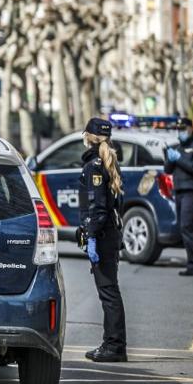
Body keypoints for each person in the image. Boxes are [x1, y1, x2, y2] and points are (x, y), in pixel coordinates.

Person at [79, 116, 127, 363]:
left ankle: (114, 346)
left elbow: (97, 208)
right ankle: (113, 343)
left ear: (89, 137)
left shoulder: (94, 166)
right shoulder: (109, 161)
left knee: (108, 292)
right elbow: (117, 202)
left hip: (103, 234)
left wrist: (92, 236)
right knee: (110, 290)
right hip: (111, 232)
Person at [165, 118, 193, 276]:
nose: (181, 131)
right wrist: (169, 158)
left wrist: (179, 159)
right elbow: (168, 170)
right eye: (179, 129)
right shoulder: (178, 147)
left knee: (186, 227)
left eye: (183, 128)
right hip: (179, 191)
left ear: (191, 128)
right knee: (188, 228)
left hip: (191, 191)